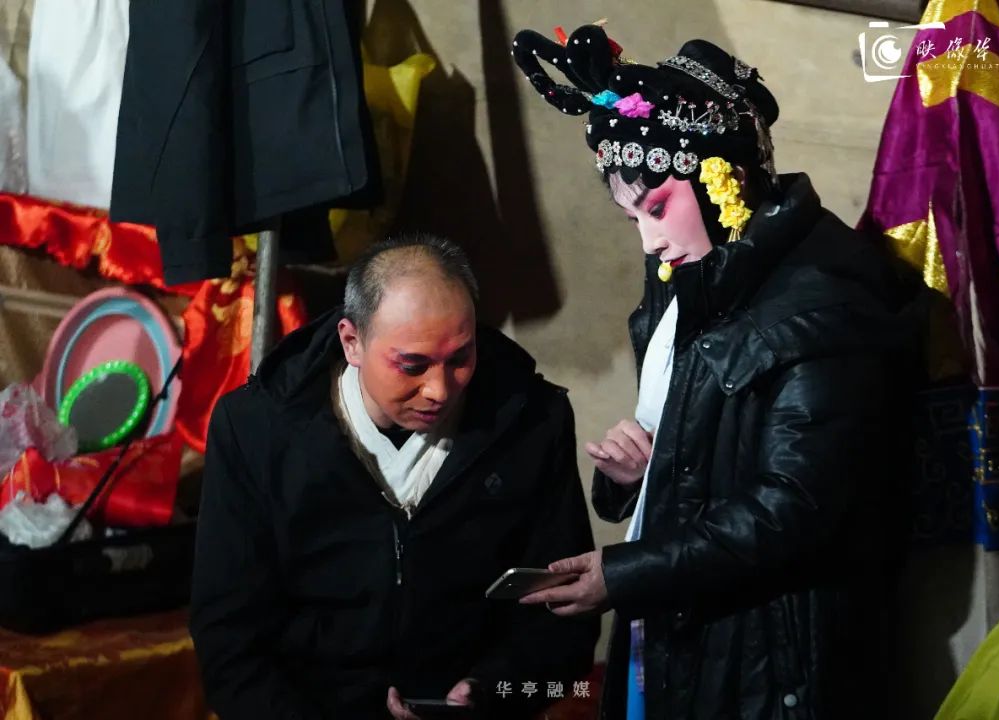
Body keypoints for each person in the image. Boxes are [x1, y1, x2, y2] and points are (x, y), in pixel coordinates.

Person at [511, 24, 910, 720]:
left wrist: (622, 575)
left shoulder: (823, 303)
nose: (650, 239)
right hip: (683, 621)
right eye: (631, 217)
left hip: (770, 649)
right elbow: (697, 440)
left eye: (658, 206)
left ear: (723, 176)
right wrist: (641, 469)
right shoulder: (691, 274)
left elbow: (794, 506)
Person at [190, 233, 599, 719]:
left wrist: (487, 693)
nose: (439, 389)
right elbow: (228, 636)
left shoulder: (532, 422)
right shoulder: (257, 431)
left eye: (460, 358)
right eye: (412, 365)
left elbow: (563, 613)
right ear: (352, 342)